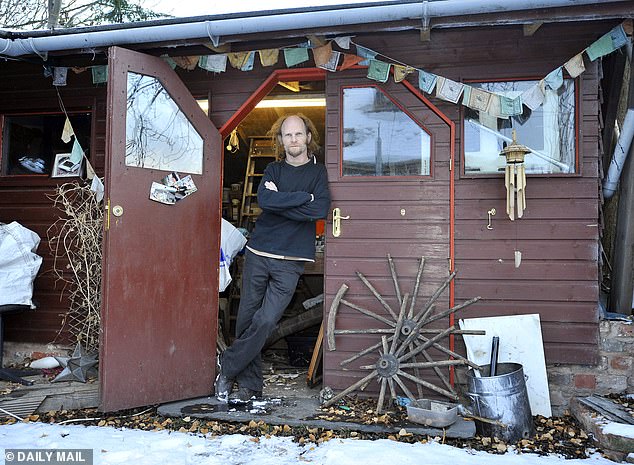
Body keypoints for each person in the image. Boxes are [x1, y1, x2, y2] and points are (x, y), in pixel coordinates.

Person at [215, 114, 331, 403]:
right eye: (287, 135)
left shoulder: (318, 173)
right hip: (258, 254)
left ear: (308, 137)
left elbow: (320, 210)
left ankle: (227, 366)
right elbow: (265, 201)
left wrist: (284, 202)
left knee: (266, 321)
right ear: (281, 140)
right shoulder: (272, 170)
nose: (293, 140)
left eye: (298, 134)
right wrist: (303, 198)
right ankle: (250, 386)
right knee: (245, 321)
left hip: (291, 261)